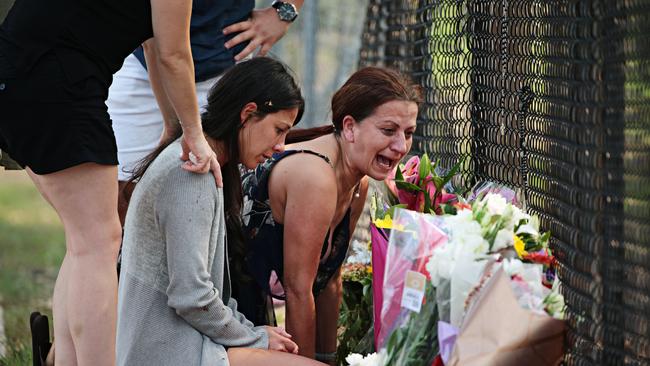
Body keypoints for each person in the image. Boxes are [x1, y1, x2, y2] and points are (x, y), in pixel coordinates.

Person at [0, 0, 219, 364]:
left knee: (85, 242)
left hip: (21, 71)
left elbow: (154, 45)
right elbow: (174, 54)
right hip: (53, 82)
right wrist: (195, 136)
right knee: (99, 243)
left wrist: (173, 126)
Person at [116, 57, 322, 366]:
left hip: (188, 341)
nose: (281, 145)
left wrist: (254, 331)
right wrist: (256, 337)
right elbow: (192, 297)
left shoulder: (204, 163)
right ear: (248, 114)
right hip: (168, 351)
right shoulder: (191, 172)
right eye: (279, 130)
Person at [234, 66, 422, 363]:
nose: (401, 146)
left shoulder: (357, 183)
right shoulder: (316, 177)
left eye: (408, 133)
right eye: (388, 131)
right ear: (349, 127)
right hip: (221, 309)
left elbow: (329, 280)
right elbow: (298, 292)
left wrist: (329, 358)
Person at [109, 0, 304, 225]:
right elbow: (167, 53)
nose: (279, 145)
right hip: (147, 57)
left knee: (213, 195)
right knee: (114, 198)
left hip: (222, 64)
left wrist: (285, 10)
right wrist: (178, 125)